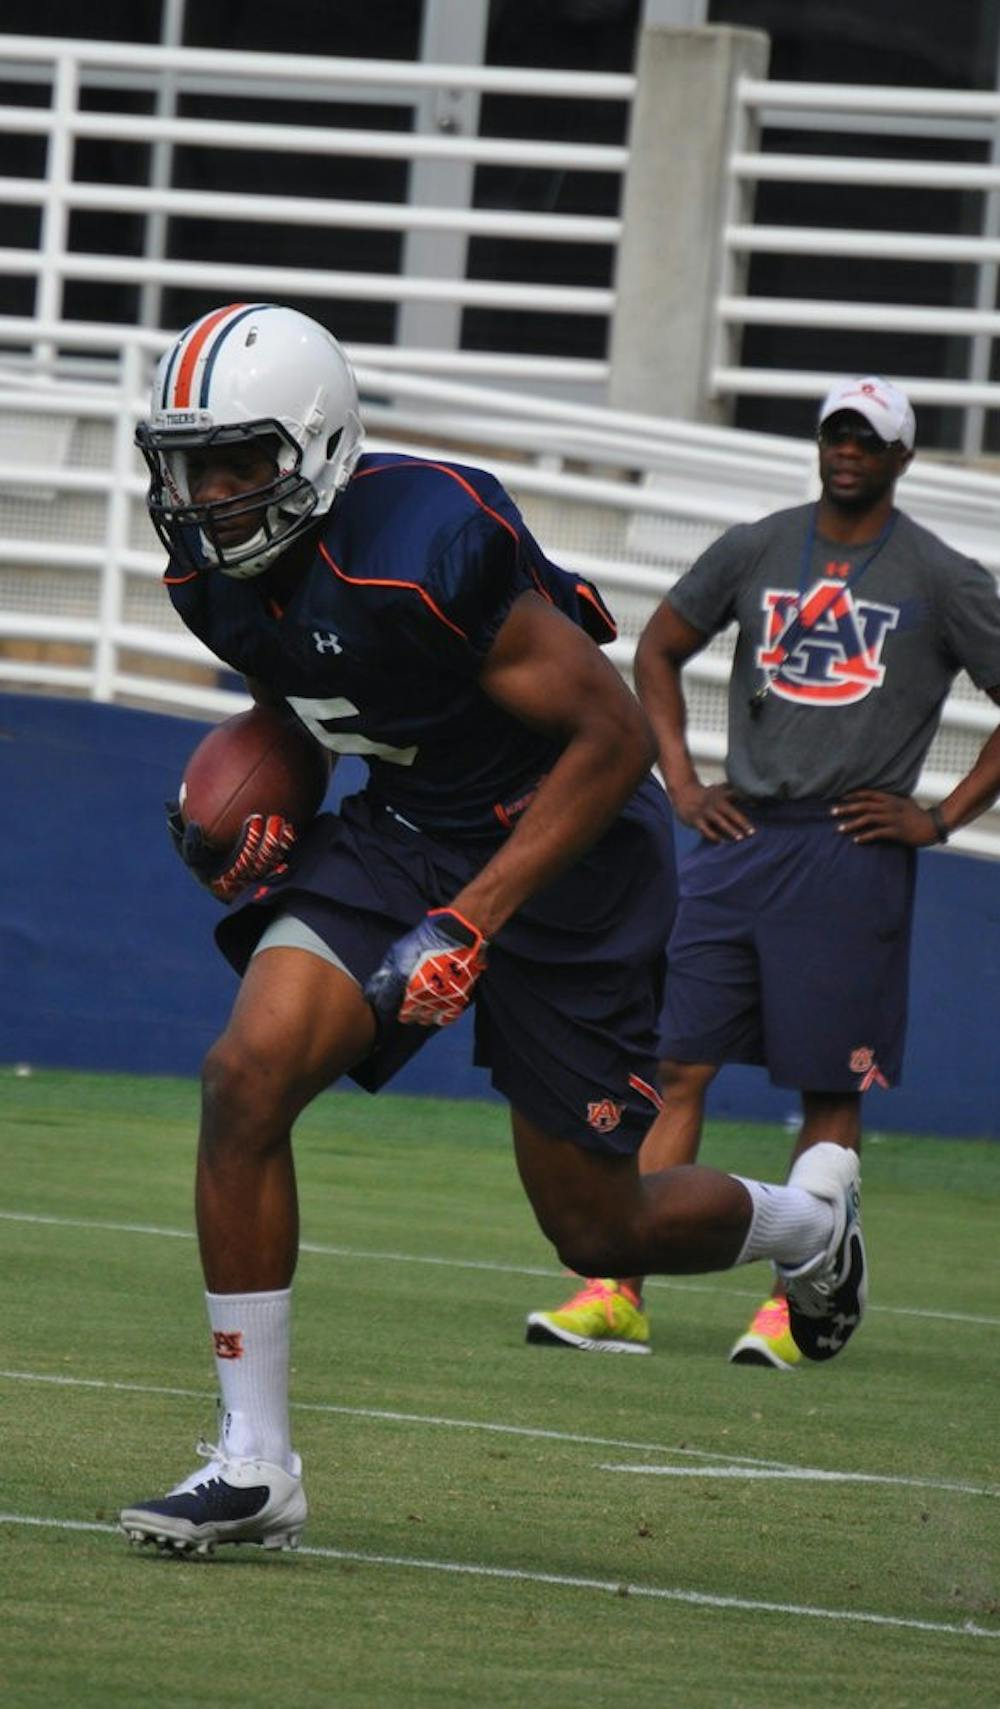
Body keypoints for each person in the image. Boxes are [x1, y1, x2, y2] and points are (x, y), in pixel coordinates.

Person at [120, 304, 868, 1556]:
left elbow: (614, 737)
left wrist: (471, 920)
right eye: (186, 464)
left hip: (568, 846)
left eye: (236, 463)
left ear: (315, 448)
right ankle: (255, 1462)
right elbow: (308, 699)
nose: (204, 494)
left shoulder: (425, 543)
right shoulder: (211, 577)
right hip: (408, 822)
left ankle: (810, 1228)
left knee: (596, 1227)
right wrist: (258, 810)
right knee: (243, 1079)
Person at [526, 376, 1000, 1368]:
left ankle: (800, 1298)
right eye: (834, 434)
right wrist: (683, 779)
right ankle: (618, 1287)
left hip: (852, 847)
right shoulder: (756, 544)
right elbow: (657, 647)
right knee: (672, 1061)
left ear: (901, 456)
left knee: (828, 1082)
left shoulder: (941, 573)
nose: (846, 452)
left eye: (866, 440)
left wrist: (942, 817)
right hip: (740, 840)